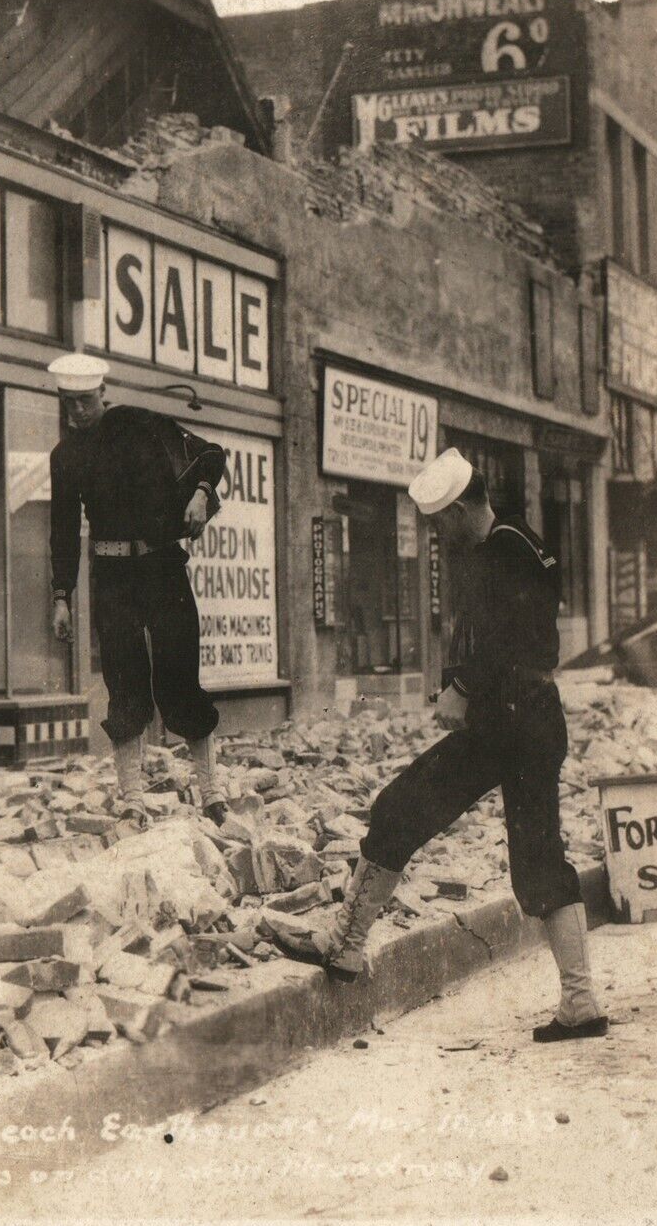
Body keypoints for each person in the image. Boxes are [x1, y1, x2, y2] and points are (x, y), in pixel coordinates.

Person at [274, 447, 608, 1044]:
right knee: (445, 823)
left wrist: (459, 686)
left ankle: (579, 1002)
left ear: (456, 510)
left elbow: (510, 634)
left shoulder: (505, 549)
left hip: (513, 719)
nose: (437, 533)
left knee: (439, 822)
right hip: (521, 720)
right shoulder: (515, 540)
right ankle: (349, 947)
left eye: (437, 522)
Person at [47, 353, 230, 829]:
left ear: (102, 394)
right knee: (124, 682)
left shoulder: (140, 424)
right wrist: (61, 596)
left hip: (163, 566)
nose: (78, 412)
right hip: (112, 578)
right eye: (69, 404)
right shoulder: (65, 457)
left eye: (85, 401)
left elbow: (211, 454)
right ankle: (132, 798)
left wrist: (201, 492)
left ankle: (211, 791)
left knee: (179, 676)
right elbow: (63, 531)